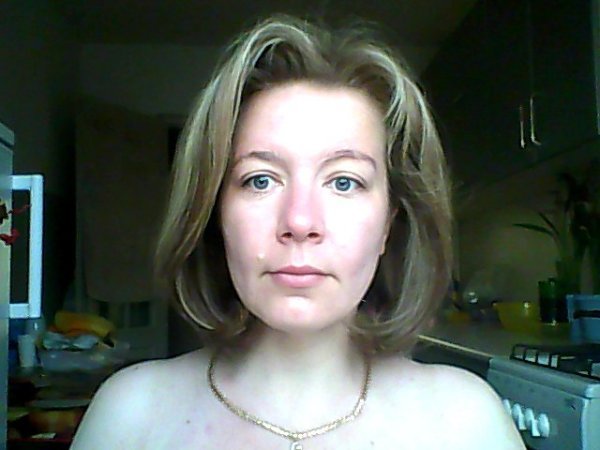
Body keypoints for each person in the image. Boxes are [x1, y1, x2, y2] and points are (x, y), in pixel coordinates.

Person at [71, 15, 525, 450]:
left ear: (388, 225)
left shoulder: (466, 423)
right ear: (214, 213)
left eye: (344, 182)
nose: (300, 222)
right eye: (260, 180)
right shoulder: (128, 416)